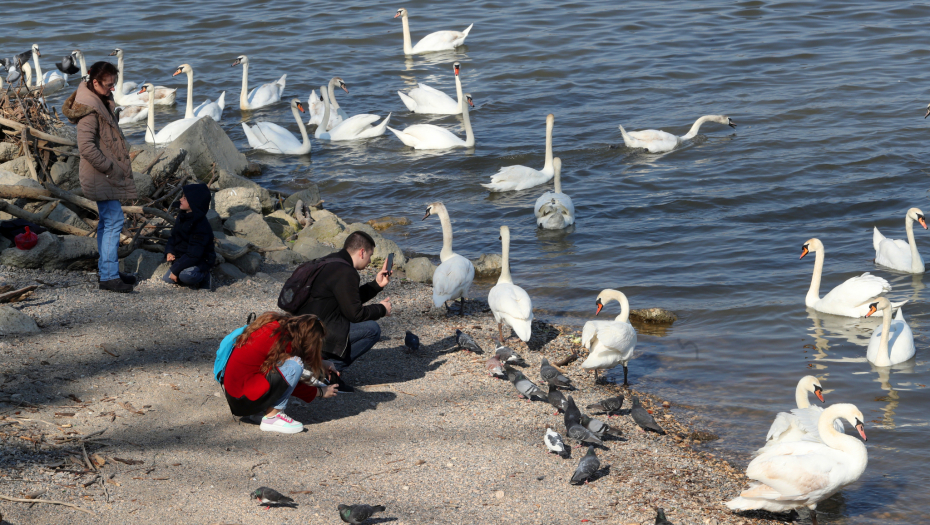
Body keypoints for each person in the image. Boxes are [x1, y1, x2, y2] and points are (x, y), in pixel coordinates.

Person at [62, 61, 138, 293]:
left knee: (108, 221)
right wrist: (110, 167)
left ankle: (109, 272)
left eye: (114, 84)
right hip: (100, 175)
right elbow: (85, 147)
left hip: (103, 174)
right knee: (114, 220)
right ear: (94, 82)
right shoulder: (88, 109)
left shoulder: (99, 100)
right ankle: (108, 276)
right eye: (108, 85)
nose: (112, 89)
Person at [294, 231, 392, 392]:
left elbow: (347, 300)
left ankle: (319, 363)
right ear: (362, 252)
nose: (370, 261)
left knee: (351, 325)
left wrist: (376, 285)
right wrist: (381, 309)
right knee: (372, 330)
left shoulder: (332, 261)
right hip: (315, 332)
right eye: (370, 255)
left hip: (302, 327)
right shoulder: (347, 273)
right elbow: (355, 314)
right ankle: (326, 371)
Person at [221, 312, 339, 434]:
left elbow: (298, 351)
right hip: (243, 400)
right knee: (295, 365)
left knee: (287, 366)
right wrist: (319, 392)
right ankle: (273, 417)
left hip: (236, 394)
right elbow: (290, 380)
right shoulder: (282, 342)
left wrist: (320, 362)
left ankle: (258, 413)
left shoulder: (276, 327)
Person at [163, 184, 216, 289]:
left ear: (194, 202)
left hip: (199, 260)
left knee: (186, 276)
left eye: (185, 198)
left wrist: (175, 270)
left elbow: (194, 255)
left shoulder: (200, 225)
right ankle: (184, 275)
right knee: (167, 279)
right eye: (182, 197)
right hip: (182, 257)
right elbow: (173, 237)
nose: (180, 199)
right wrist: (169, 252)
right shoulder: (182, 216)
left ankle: (205, 276)